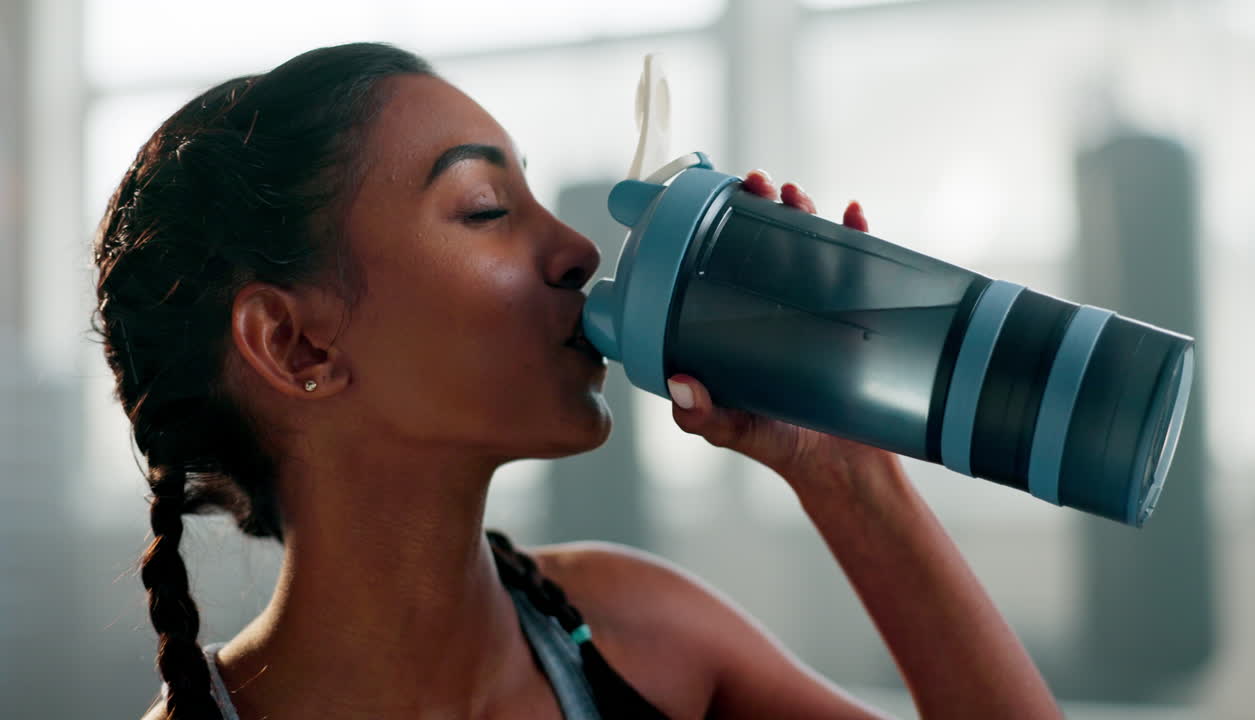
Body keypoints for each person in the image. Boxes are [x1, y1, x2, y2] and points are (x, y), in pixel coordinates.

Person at [93, 42, 1061, 720]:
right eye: (481, 208)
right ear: (295, 345)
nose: (575, 248)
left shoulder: (640, 634)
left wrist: (847, 472)